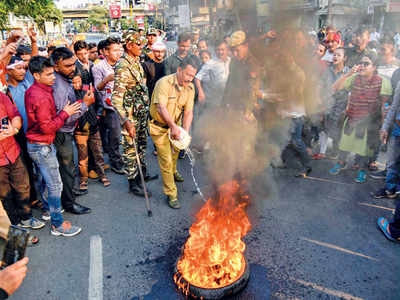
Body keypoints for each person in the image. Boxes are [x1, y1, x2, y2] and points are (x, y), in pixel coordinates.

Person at [25, 56, 82, 236]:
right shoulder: (39, 96)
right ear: (36, 75)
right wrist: (65, 113)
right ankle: (57, 225)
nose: (53, 77)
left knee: (46, 180)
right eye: (48, 74)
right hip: (41, 145)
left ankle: (49, 211)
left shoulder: (40, 90)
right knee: (55, 184)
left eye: (53, 73)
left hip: (39, 145)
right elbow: (47, 127)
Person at [329, 52, 392, 183]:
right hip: (351, 118)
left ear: (374, 67)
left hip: (368, 124)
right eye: (361, 63)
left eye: (366, 64)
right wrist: (349, 74)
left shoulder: (383, 82)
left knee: (364, 151)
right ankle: (341, 163)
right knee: (344, 145)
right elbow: (334, 88)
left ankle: (362, 171)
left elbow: (384, 106)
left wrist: (383, 127)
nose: (362, 66)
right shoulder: (354, 78)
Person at [149, 56, 199, 209]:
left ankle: (174, 171)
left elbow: (189, 112)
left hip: (175, 126)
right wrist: (173, 127)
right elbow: (161, 108)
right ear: (179, 70)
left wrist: (184, 131)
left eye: (193, 76)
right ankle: (171, 193)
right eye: (187, 74)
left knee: (176, 152)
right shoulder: (164, 83)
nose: (190, 79)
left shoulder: (190, 88)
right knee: (166, 160)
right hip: (159, 127)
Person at [112, 31, 157, 197]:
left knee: (142, 145)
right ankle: (134, 183)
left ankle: (142, 174)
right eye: (138, 44)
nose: (141, 46)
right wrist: (126, 121)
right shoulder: (123, 65)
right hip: (130, 115)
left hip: (140, 112)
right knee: (131, 149)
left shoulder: (136, 60)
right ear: (129, 46)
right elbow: (116, 98)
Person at [51, 47, 94, 214]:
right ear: (56, 66)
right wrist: (85, 105)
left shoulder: (64, 79)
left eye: (73, 64)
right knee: (67, 168)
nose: (72, 68)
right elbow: (66, 116)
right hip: (62, 133)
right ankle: (69, 203)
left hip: (66, 131)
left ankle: (69, 192)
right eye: (67, 66)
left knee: (68, 168)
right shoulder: (58, 87)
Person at [0, 90, 45, 231]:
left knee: (23, 187)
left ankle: (26, 217)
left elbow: (15, 115)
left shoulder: (2, 97)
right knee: (4, 195)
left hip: (13, 152)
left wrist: (14, 128)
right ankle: (14, 226)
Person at [74, 41, 110, 191]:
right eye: (80, 54)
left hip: (94, 116)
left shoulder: (93, 66)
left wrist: (99, 114)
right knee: (83, 155)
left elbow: (98, 95)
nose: (83, 56)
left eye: (85, 53)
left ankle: (101, 174)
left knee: (98, 150)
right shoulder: (74, 69)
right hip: (80, 119)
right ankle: (84, 179)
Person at [6, 56, 39, 209]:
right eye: (18, 68)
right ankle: (31, 198)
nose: (23, 71)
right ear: (8, 70)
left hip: (33, 132)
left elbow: (33, 61)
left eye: (23, 68)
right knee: (24, 167)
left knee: (38, 165)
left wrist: (33, 42)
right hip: (17, 135)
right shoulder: (5, 88)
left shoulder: (27, 82)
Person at [92, 37, 125, 175]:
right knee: (115, 136)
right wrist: (107, 79)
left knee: (124, 136)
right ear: (105, 51)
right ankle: (115, 162)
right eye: (115, 50)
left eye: (120, 50)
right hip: (110, 108)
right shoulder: (98, 67)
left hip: (125, 106)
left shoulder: (123, 64)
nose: (119, 53)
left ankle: (123, 159)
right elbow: (97, 88)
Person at [195, 40, 231, 111]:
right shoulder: (211, 63)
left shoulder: (231, 61)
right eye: (218, 50)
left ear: (227, 50)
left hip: (229, 98)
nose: (220, 52)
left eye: (222, 50)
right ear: (215, 50)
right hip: (215, 100)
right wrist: (200, 92)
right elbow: (197, 78)